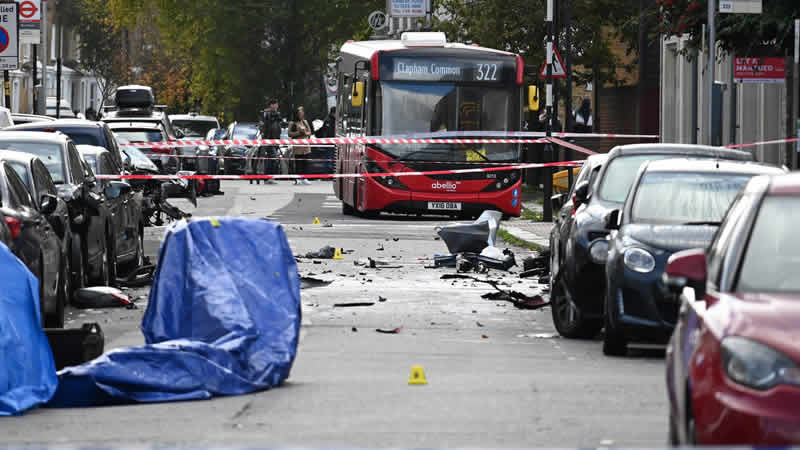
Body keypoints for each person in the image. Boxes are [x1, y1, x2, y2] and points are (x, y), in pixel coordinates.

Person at [254, 97, 282, 185]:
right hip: (268, 139)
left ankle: (269, 177)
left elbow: (279, 125)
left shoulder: (277, 114)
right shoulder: (265, 113)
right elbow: (262, 126)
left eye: (277, 104)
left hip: (276, 139)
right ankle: (267, 177)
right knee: (272, 158)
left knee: (272, 159)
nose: (277, 106)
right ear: (271, 105)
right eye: (275, 104)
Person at [288, 106, 312, 185]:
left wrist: (305, 133)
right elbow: (289, 133)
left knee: (306, 162)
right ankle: (297, 178)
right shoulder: (292, 123)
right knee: (298, 163)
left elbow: (309, 132)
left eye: (302, 113)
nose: (301, 115)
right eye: (300, 113)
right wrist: (298, 133)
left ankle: (305, 177)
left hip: (306, 146)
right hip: (298, 146)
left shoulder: (305, 122)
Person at [314, 107, 336, 175]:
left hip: (330, 143)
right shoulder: (329, 120)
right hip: (329, 143)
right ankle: (326, 174)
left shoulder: (329, 119)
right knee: (328, 159)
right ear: (333, 113)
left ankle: (327, 173)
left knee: (329, 159)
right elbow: (328, 132)